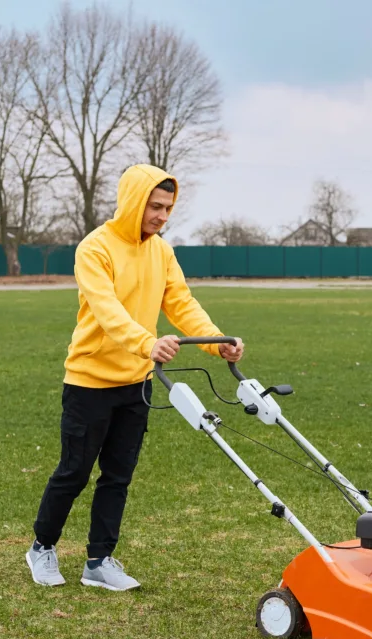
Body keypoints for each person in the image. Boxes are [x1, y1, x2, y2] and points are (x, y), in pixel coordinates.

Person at [26, 164, 243, 590]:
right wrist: (147, 343)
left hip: (136, 384)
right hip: (89, 381)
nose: (162, 215)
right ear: (133, 201)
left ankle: (98, 561)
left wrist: (217, 343)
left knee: (118, 475)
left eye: (168, 208)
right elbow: (108, 312)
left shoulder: (161, 251)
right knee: (74, 471)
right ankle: (42, 547)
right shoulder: (95, 248)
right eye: (155, 206)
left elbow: (182, 304)